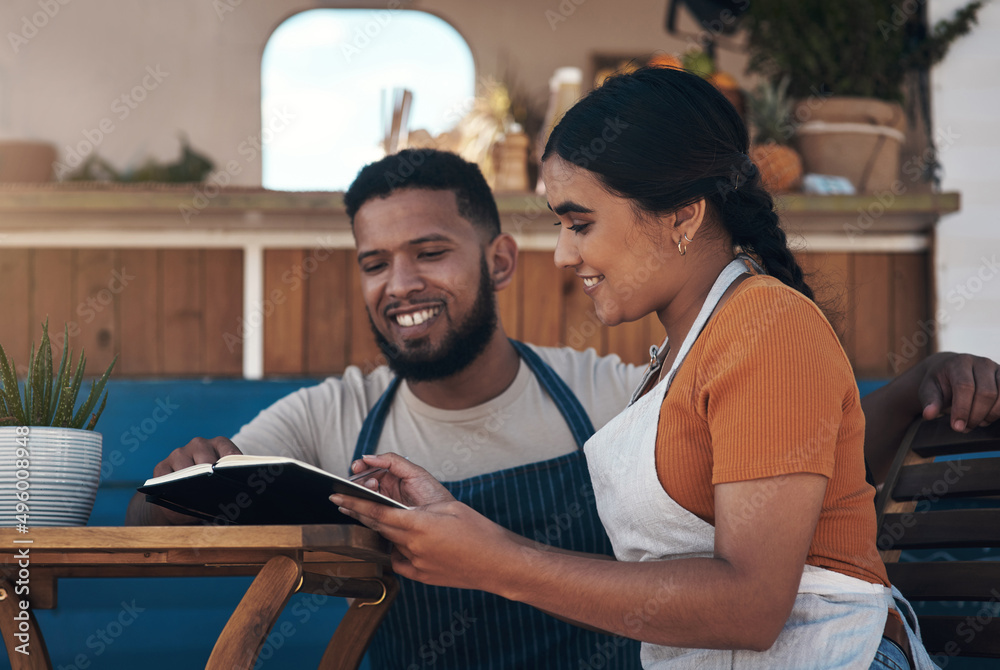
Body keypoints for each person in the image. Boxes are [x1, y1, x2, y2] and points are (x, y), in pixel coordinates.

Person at [126, 147, 999, 670]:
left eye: (431, 252)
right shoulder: (328, 419)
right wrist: (177, 479)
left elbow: (796, 457)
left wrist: (921, 384)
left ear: (500, 260)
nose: (401, 286)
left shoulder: (612, 393)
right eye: (373, 262)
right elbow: (151, 523)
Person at [330, 72, 993, 669]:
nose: (563, 255)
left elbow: (751, 607)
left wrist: (495, 562)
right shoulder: (678, 356)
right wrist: (466, 533)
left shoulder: (763, 324)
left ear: (681, 217)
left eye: (580, 222)